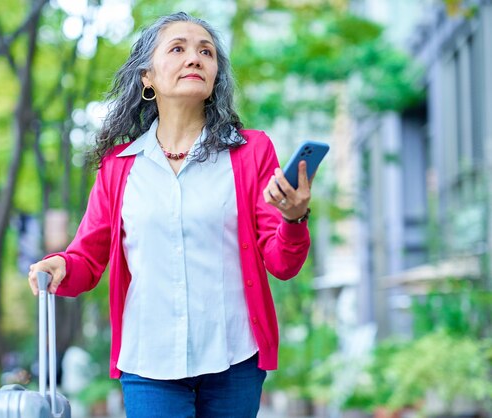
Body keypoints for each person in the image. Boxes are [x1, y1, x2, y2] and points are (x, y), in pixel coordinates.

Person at [28, 11, 313, 418]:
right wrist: (60, 265)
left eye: (206, 52)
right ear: (148, 77)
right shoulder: (119, 166)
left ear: (216, 74)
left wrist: (293, 219)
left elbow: (282, 263)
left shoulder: (252, 152)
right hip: (148, 360)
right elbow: (86, 259)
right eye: (177, 49)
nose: (194, 58)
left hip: (234, 358)